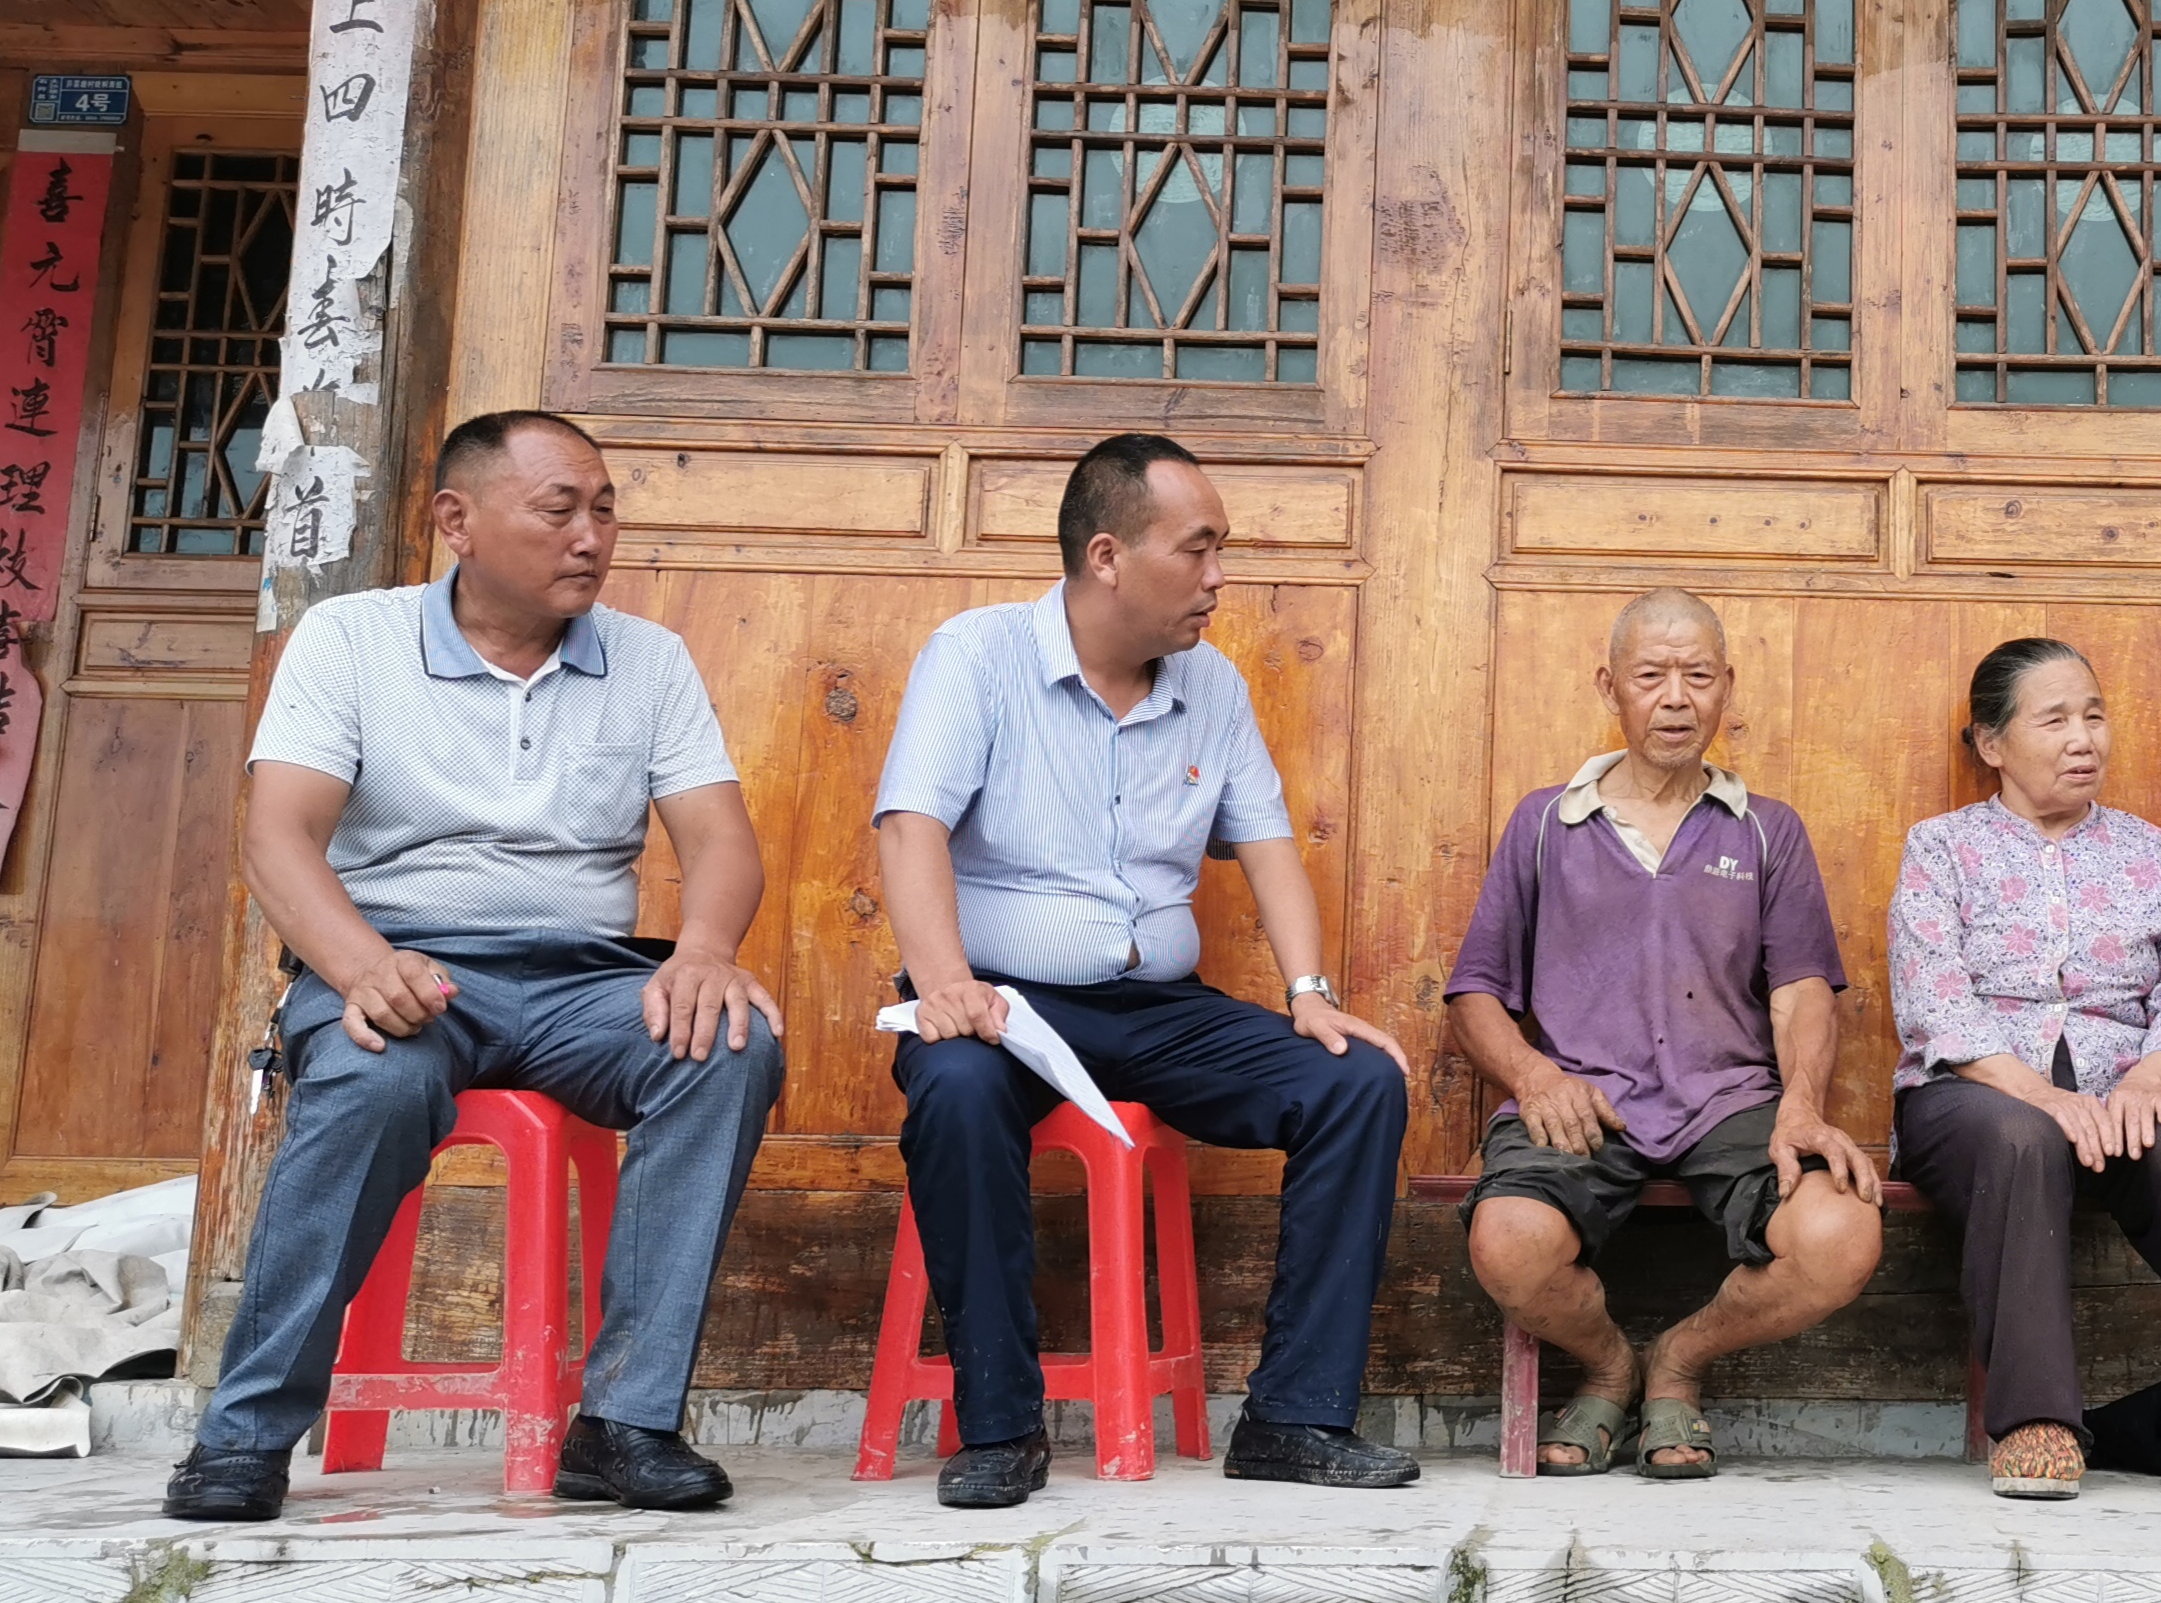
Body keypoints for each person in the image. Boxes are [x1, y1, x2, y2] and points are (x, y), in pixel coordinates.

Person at [163, 411, 782, 1523]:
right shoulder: (352, 639)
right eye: (559, 510)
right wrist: (357, 965)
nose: (591, 535)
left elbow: (723, 841)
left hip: (588, 982)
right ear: (457, 520)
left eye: (604, 510)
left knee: (725, 1042)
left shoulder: (650, 659)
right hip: (408, 970)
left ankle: (623, 1424)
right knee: (373, 1081)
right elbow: (278, 835)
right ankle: (244, 1434)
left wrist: (704, 952)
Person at [872, 434, 1415, 1507]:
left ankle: (1294, 1419)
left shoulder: (1210, 684)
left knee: (1356, 1081)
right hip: (1002, 1005)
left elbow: (1264, 845)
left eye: (1222, 551)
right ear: (1109, 555)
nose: (1218, 578)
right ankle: (998, 1429)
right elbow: (909, 826)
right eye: (1198, 549)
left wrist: (1310, 995)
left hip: (1157, 1008)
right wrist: (942, 985)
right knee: (958, 1090)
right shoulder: (977, 656)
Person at [1444, 588, 1883, 1478]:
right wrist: (1534, 1077)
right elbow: (1476, 993)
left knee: (1844, 1236)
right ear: (1611, 687)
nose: (1676, 698)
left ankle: (1677, 1363)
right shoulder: (1543, 824)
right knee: (1508, 1241)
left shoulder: (1767, 830)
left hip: (1729, 1100)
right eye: (1652, 676)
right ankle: (1610, 1365)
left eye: (1698, 676)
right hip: (1583, 1098)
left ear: (1728, 688)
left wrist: (1801, 1106)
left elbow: (1802, 990)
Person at [1887, 637, 2161, 1508]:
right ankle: (2035, 1422)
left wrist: (2145, 1083)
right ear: (1991, 744)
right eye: (2054, 720)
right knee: (2022, 1139)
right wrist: (2050, 1098)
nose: (2083, 737)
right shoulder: (1941, 849)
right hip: (1975, 1098)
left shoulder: (2150, 853)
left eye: (2093, 715)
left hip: (2121, 1093)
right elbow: (1938, 1007)